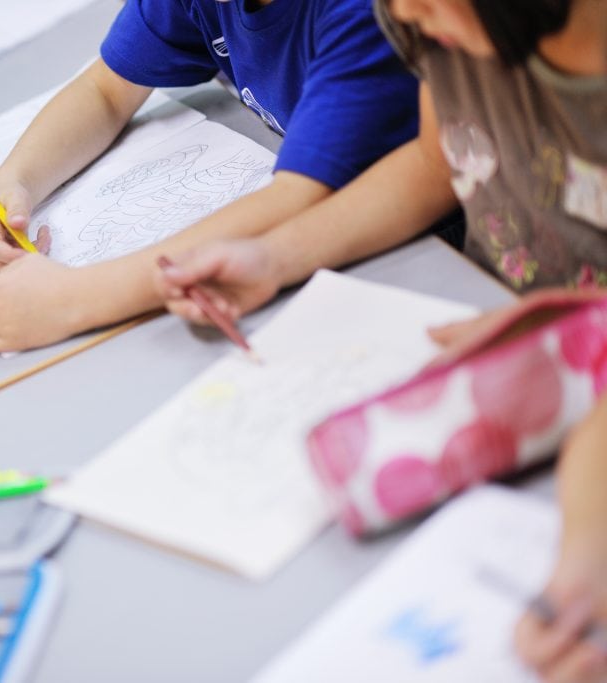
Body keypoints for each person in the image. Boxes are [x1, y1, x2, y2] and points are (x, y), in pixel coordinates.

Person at [155, 1, 607, 680]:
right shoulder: (427, 13)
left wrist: (567, 318)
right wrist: (276, 258)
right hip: (495, 350)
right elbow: (434, 159)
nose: (399, 13)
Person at [0, 0, 420, 353]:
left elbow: (299, 199)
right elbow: (105, 91)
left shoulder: (361, 14)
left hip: (410, 262)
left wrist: (79, 298)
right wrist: (16, 181)